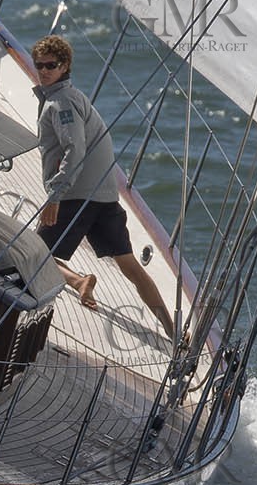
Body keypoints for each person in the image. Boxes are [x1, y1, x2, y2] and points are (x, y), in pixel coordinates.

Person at [30, 34, 177, 338]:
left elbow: (75, 150)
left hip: (77, 196)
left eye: (51, 65)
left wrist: (55, 195)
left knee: (32, 255)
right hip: (105, 196)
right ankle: (173, 332)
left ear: (65, 66)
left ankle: (77, 281)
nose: (43, 70)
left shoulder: (60, 104)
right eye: (39, 65)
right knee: (129, 266)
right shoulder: (76, 97)